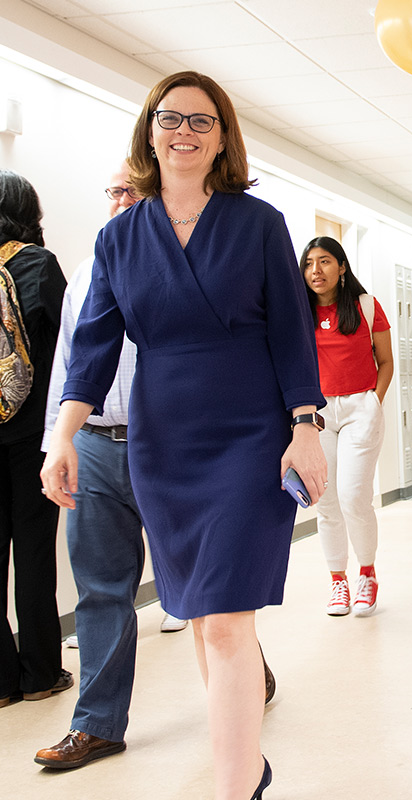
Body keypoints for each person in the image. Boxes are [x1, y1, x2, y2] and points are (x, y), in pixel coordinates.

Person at [40, 72, 326, 800]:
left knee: (227, 622)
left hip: (251, 439)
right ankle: (249, 763)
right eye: (172, 119)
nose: (185, 133)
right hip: (163, 444)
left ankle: (236, 787)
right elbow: (92, 353)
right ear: (150, 130)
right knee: (202, 617)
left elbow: (294, 337)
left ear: (222, 138)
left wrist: (305, 428)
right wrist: (61, 439)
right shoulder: (119, 238)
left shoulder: (258, 222)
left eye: (202, 122)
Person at [34, 164, 208, 771]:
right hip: (99, 449)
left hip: (171, 448)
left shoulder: (185, 268)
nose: (120, 202)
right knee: (102, 591)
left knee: (202, 584)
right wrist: (60, 442)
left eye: (132, 191)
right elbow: (67, 363)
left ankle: (244, 671)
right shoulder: (86, 272)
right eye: (114, 191)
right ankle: (98, 725)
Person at [0, 171, 71, 708]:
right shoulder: (35, 264)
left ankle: (1, 682)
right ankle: (42, 672)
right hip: (29, 436)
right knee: (33, 554)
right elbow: (73, 348)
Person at [300, 237, 393, 616]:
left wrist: (373, 401)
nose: (315, 271)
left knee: (354, 495)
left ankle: (366, 574)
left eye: (324, 262)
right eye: (308, 264)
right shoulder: (298, 312)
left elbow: (385, 361)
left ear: (342, 267)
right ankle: (338, 581)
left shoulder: (366, 307)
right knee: (326, 501)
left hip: (359, 407)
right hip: (319, 415)